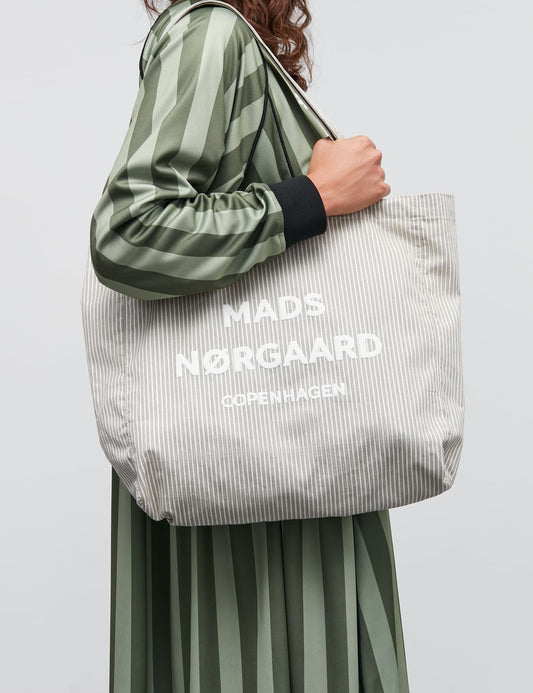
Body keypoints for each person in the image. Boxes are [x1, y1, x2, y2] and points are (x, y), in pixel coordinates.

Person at [90, 0, 408, 690]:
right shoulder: (212, 31)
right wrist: (312, 198)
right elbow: (129, 231)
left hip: (289, 452)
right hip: (252, 474)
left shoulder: (231, 39)